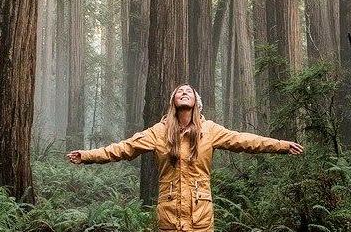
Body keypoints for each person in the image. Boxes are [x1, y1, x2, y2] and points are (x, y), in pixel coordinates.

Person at [67, 84, 304, 231]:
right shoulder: (157, 132)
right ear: (173, 102)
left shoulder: (209, 130)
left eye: (188, 91)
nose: (183, 92)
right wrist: (87, 155)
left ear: (196, 103)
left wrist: (281, 146)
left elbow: (245, 140)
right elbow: (122, 148)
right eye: (179, 91)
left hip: (200, 214)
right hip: (169, 214)